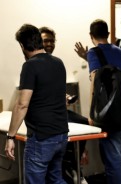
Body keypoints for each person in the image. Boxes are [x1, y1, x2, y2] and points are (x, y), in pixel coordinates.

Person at [5, 24, 68, 183]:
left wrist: (10, 136)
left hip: (41, 137)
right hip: (61, 134)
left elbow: (22, 104)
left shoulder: (30, 66)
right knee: (56, 179)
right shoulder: (58, 63)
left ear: (22, 45)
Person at [85, 19, 121, 184]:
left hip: (112, 114)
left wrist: (92, 112)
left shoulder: (93, 52)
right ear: (108, 34)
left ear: (91, 35)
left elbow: (95, 80)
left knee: (113, 157)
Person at [39, 26, 88, 184]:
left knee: (86, 123)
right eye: (46, 40)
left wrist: (65, 96)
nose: (49, 44)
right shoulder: (34, 64)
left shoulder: (55, 64)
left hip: (58, 111)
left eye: (52, 41)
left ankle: (73, 166)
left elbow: (56, 89)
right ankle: (70, 167)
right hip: (45, 116)